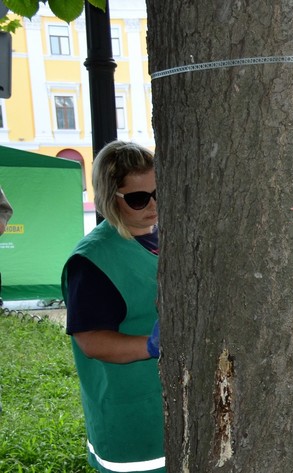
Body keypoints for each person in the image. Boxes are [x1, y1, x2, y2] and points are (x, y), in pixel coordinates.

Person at [61, 140, 164, 473]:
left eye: (159, 192)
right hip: (133, 424)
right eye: (138, 199)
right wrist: (151, 345)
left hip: (169, 411)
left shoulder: (165, 236)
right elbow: (91, 342)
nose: (153, 205)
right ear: (110, 197)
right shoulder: (92, 261)